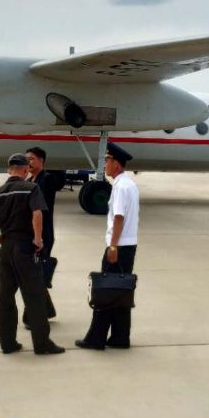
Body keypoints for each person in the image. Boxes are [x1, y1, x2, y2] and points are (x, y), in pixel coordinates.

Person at [0, 153, 64, 355]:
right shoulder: (31, 188)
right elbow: (37, 213)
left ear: (9, 170)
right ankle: (42, 343)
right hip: (25, 247)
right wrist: (38, 239)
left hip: (6, 247)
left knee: (5, 296)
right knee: (34, 296)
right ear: (25, 170)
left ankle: (8, 343)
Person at [77, 142, 141, 350]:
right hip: (128, 246)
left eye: (107, 160)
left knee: (105, 292)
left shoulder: (120, 187)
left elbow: (119, 217)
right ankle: (120, 337)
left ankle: (95, 339)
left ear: (116, 164)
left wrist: (112, 247)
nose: (105, 164)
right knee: (120, 292)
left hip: (118, 247)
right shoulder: (129, 184)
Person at [23, 147, 60, 326]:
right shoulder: (30, 179)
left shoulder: (46, 179)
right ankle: (47, 310)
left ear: (41, 161)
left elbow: (39, 209)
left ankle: (33, 316)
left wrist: (38, 238)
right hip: (33, 232)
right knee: (35, 274)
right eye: (26, 159)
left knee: (35, 275)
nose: (28, 162)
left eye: (31, 159)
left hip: (42, 234)